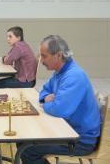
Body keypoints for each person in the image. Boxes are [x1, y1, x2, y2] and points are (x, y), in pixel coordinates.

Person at [17, 35, 101, 164]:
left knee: (28, 150)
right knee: (23, 141)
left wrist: (46, 104)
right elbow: (44, 91)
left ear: (59, 55)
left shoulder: (73, 76)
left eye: (44, 56)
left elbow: (59, 110)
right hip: (66, 130)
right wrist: (46, 98)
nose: (41, 60)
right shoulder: (59, 72)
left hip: (80, 140)